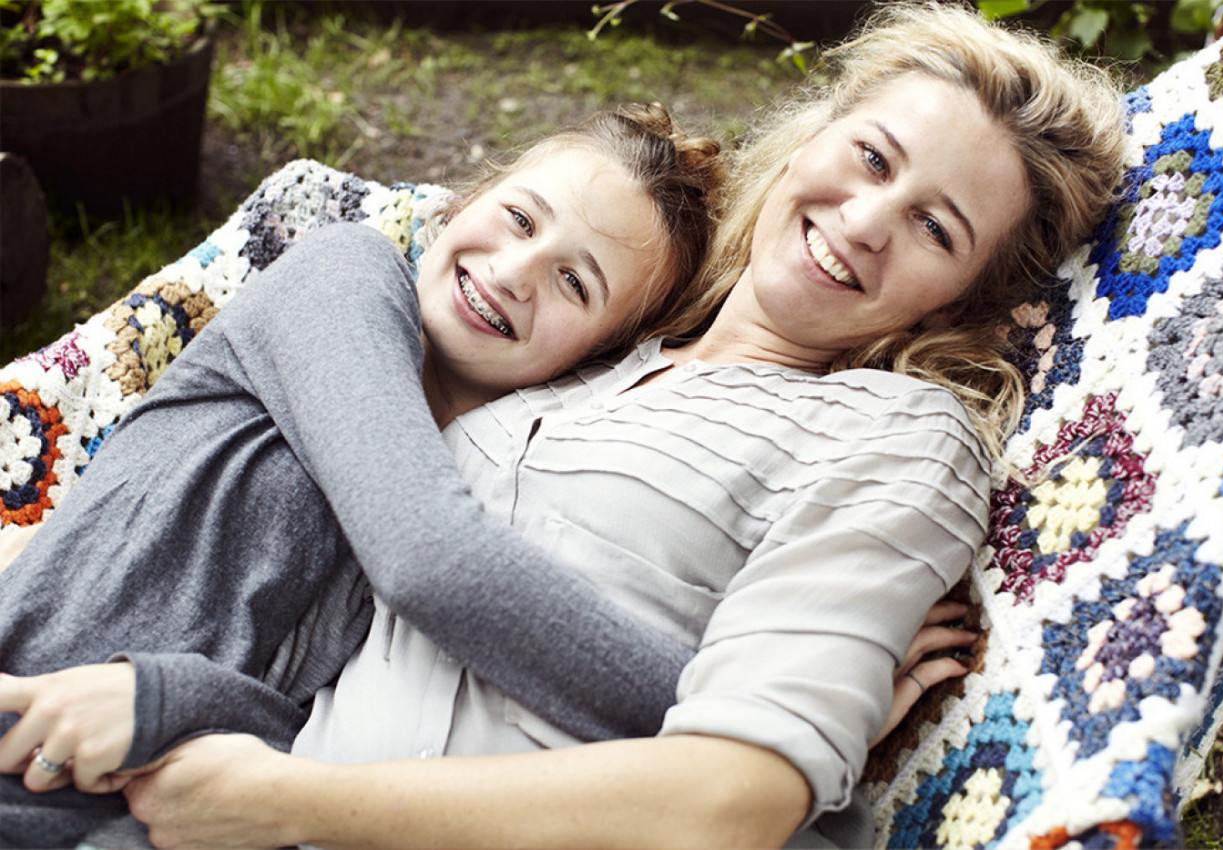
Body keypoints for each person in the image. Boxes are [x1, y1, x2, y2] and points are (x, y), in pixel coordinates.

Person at [9, 1, 1129, 846]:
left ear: (964, 295)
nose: (868, 220)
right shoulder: (566, 363)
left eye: (935, 226)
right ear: (810, 139)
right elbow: (372, 630)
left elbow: (734, 800)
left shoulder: (890, 435)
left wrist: (283, 797)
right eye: (871, 158)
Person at [0, 104, 729, 847]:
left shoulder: (486, 489)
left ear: (597, 358)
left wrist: (169, 700)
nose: (513, 273)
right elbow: (431, 564)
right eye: (518, 218)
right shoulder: (342, 276)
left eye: (574, 283)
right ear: (465, 201)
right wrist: (749, 734)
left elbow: (300, 743)